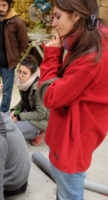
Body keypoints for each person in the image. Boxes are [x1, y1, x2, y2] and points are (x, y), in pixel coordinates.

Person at [38, 0, 108, 199]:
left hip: (73, 140)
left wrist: (52, 55)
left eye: (58, 16)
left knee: (69, 193)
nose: (53, 23)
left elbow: (49, 96)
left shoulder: (89, 58)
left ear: (76, 15)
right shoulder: (96, 38)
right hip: (80, 131)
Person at [0, 0, 28, 112]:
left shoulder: (17, 22)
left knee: (6, 91)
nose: (0, 8)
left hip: (8, 63)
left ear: (10, 5)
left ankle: (4, 113)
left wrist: (14, 55)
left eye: (4, 5)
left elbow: (24, 43)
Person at [10, 55, 49, 146]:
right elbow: (23, 102)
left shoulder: (38, 88)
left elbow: (41, 113)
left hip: (42, 119)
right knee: (6, 117)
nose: (20, 75)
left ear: (32, 74)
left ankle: (39, 131)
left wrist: (19, 117)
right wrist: (15, 112)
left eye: (24, 73)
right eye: (19, 71)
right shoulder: (23, 83)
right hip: (30, 111)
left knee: (12, 129)